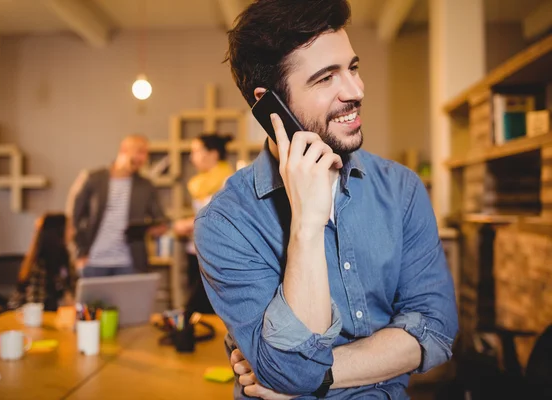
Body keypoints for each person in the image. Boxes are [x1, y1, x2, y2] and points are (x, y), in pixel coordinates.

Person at [193, 1, 459, 399]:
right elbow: (292, 366)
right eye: (325, 79)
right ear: (270, 106)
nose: (356, 90)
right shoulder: (225, 224)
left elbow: (436, 330)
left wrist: (310, 374)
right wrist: (306, 223)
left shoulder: (402, 190)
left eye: (352, 68)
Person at [69, 134, 168, 277]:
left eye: (146, 153)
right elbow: (76, 219)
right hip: (93, 262)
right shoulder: (94, 179)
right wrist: (79, 253)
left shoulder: (146, 186)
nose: (143, 158)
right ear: (123, 150)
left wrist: (156, 228)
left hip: (130, 264)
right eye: (139, 151)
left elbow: (160, 219)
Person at [173, 133, 235, 314]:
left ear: (213, 154)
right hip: (195, 250)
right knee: (198, 309)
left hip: (216, 253)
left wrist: (188, 224)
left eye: (196, 151)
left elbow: (223, 216)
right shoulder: (199, 182)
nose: (192, 158)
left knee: (201, 306)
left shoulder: (229, 181)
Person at [8, 213, 76, 312]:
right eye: (69, 228)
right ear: (58, 232)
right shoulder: (39, 264)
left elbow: (71, 287)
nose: (73, 232)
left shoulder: (64, 257)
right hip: (24, 316)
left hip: (53, 314)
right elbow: (35, 302)